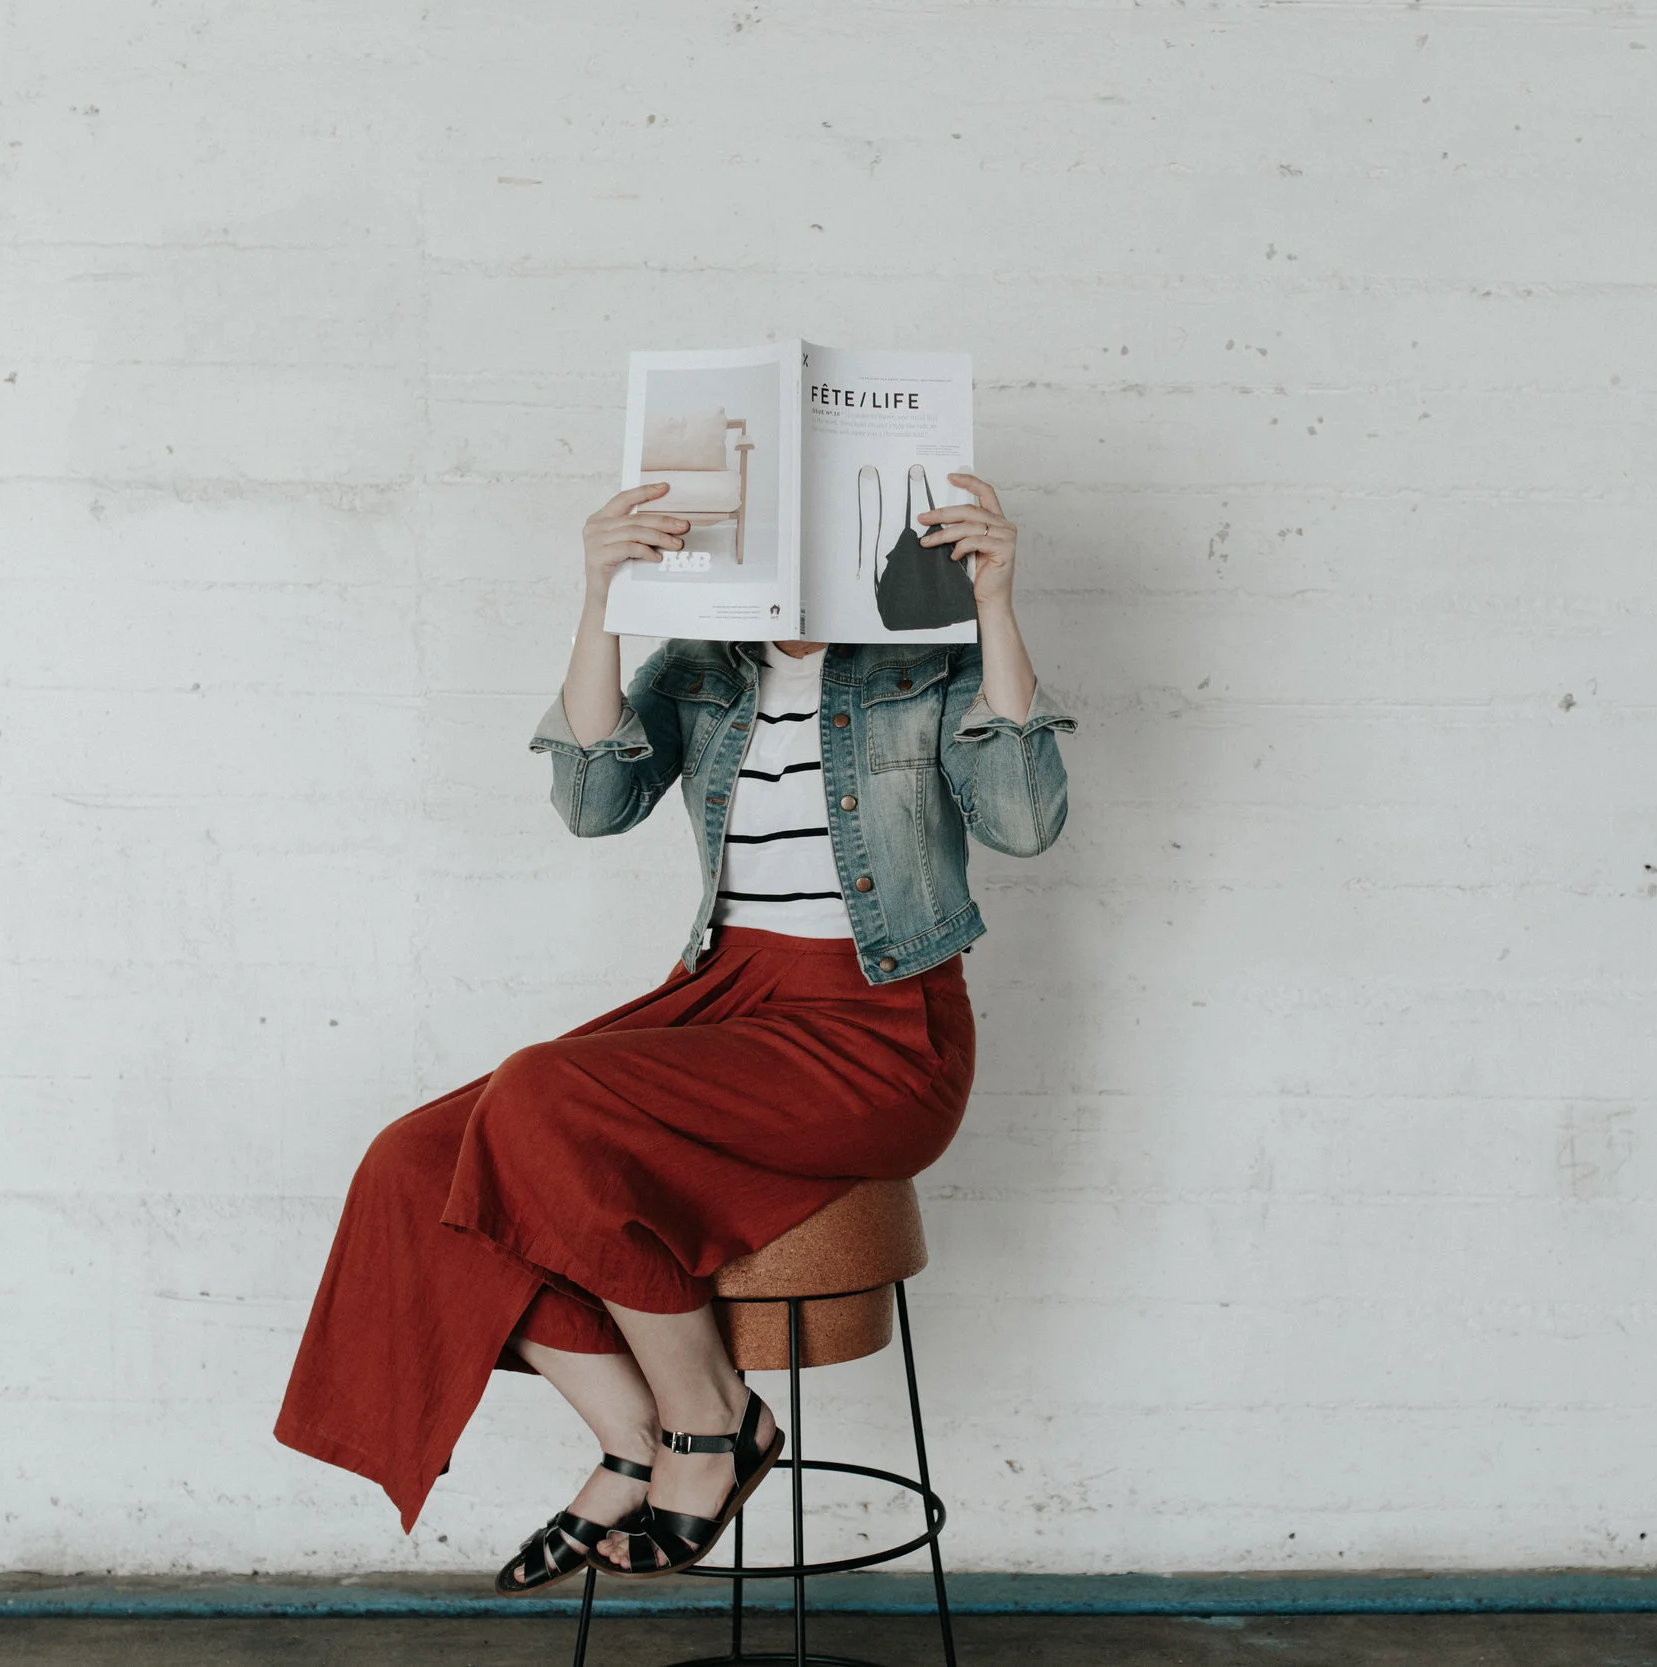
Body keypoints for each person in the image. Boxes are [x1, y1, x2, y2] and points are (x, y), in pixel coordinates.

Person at [274, 472, 1074, 1590]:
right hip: (718, 998)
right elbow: (593, 804)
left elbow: (1027, 820)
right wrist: (603, 592)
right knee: (416, 1159)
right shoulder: (703, 666)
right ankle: (631, 1434)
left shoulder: (923, 663)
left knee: (541, 1090)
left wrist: (993, 604)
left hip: (881, 1025)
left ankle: (710, 1421)